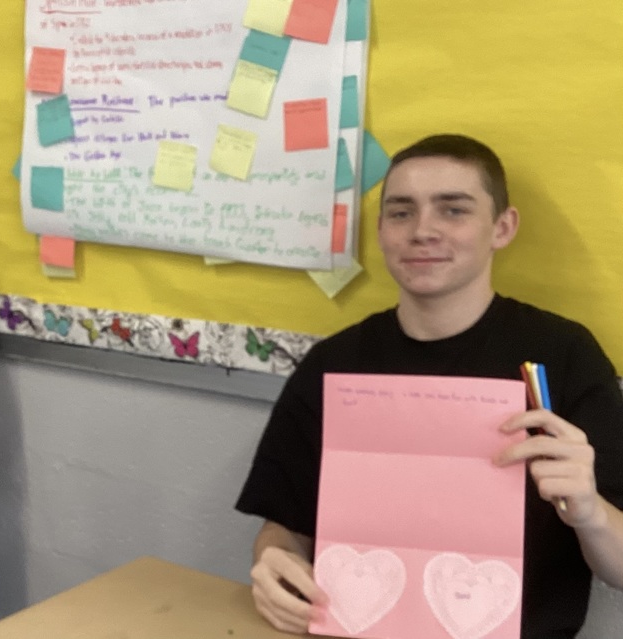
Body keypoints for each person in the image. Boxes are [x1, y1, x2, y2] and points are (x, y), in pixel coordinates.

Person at [236, 134, 623, 638]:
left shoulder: (562, 356)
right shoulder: (334, 364)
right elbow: (287, 527)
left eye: (453, 210)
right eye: (401, 213)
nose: (423, 231)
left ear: (502, 228)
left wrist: (590, 512)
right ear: (380, 232)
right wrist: (273, 565)